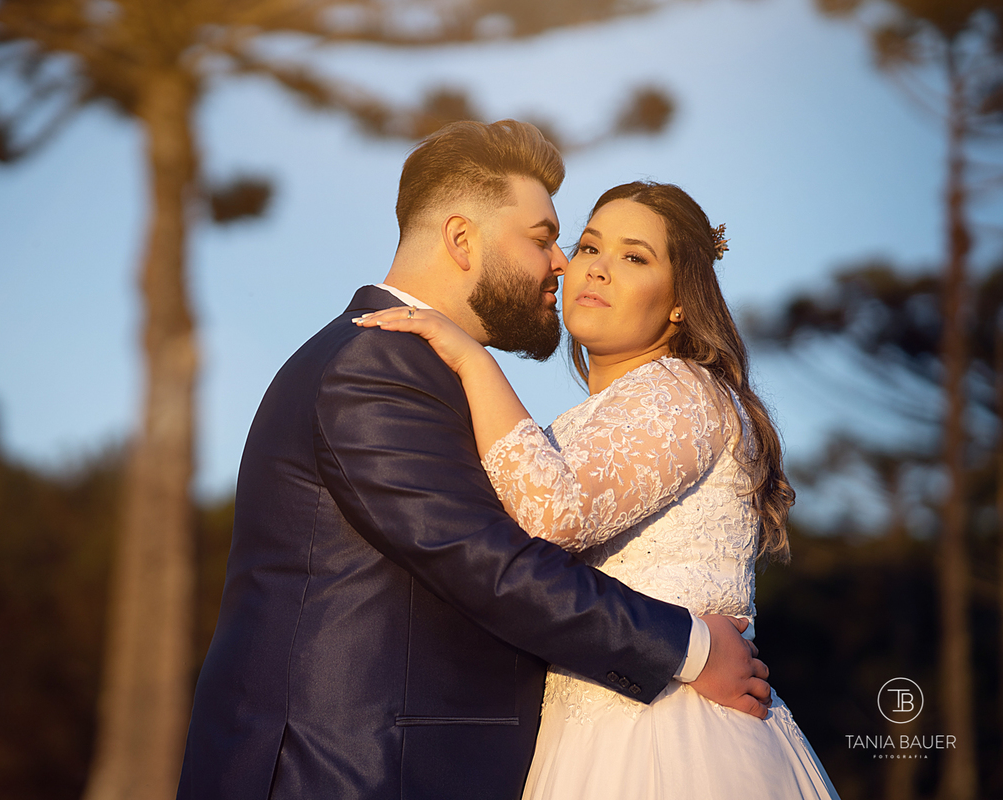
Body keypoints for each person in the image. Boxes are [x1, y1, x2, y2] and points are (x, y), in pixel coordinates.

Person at [176, 121, 771, 800]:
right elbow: (490, 562)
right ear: (463, 241)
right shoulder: (373, 366)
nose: (563, 265)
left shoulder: (428, 373)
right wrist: (690, 648)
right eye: (548, 240)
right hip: (344, 773)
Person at [355, 180, 840, 798]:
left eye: (635, 257)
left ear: (680, 303)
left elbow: (551, 516)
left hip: (671, 737)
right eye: (588, 247)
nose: (599, 269)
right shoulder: (581, 424)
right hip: (585, 728)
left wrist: (473, 360)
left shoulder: (683, 391)